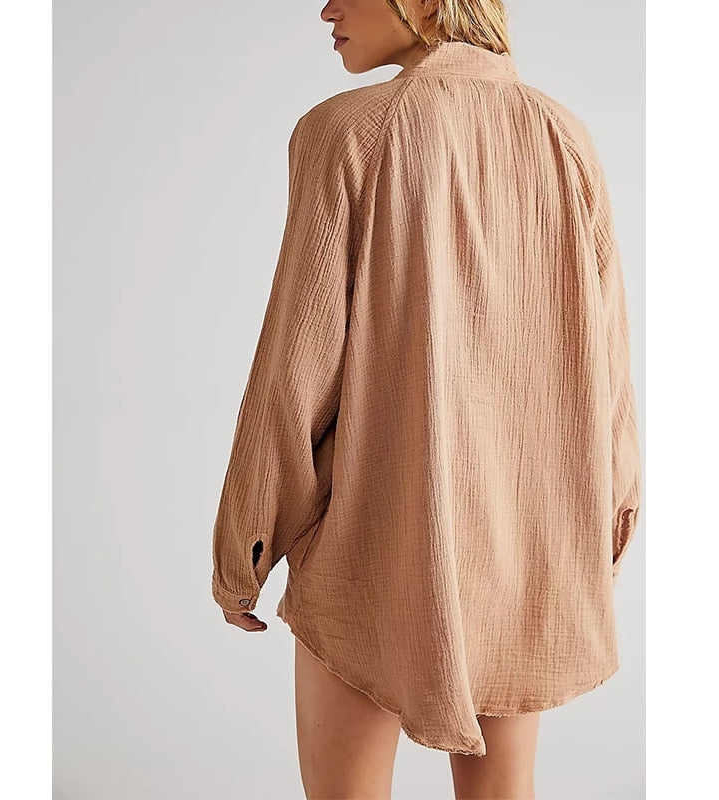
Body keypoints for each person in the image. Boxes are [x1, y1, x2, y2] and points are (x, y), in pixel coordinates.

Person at [211, 1, 642, 797]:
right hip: (523, 546)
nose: (326, 9)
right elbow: (607, 361)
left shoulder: (347, 132)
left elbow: (296, 367)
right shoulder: (565, 136)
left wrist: (247, 545)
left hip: (372, 542)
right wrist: (604, 527)